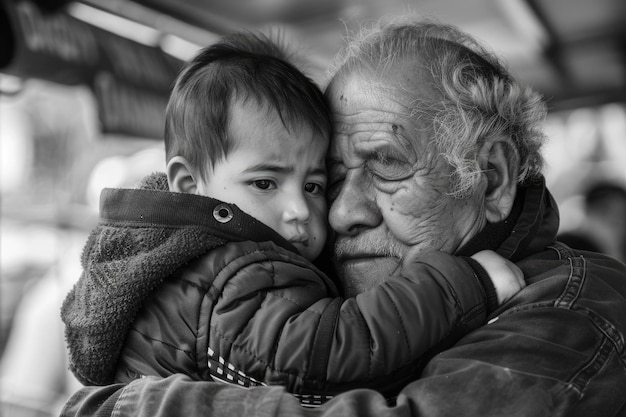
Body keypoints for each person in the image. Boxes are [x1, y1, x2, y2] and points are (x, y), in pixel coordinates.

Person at [61, 19, 626, 417]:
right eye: (330, 178)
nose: (336, 210)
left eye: (385, 164)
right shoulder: (286, 268)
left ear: (493, 179)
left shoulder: (578, 305)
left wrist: (139, 406)